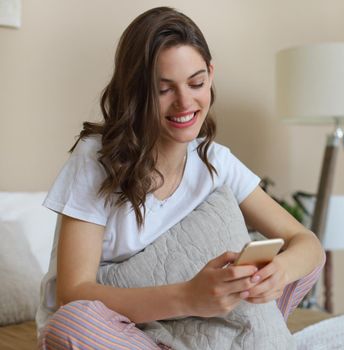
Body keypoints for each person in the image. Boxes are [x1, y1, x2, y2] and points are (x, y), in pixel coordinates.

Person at [36, 6, 325, 349]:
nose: (185, 102)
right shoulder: (95, 160)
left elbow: (306, 243)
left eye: (196, 82)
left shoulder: (216, 162)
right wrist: (189, 297)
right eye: (164, 89)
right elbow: (74, 292)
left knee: (303, 266)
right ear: (136, 91)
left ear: (211, 74)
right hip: (125, 331)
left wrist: (280, 272)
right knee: (73, 323)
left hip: (198, 324)